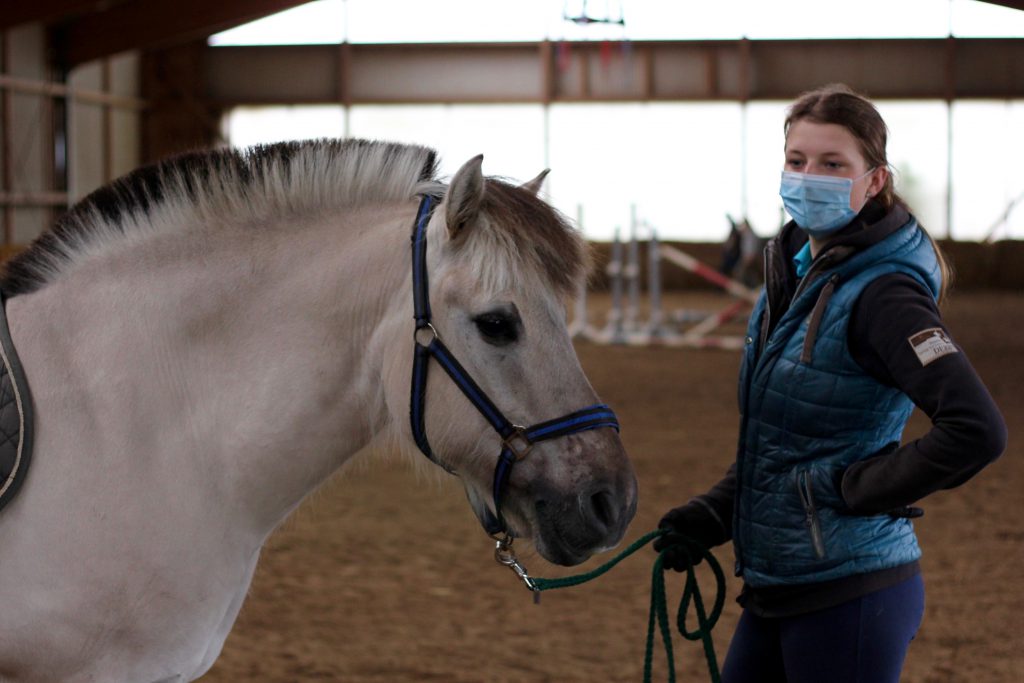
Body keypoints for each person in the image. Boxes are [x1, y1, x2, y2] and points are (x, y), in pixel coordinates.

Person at [655, 83, 1007, 683]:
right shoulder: (791, 275)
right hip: (778, 586)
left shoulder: (886, 295)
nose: (807, 176)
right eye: (797, 161)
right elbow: (787, 439)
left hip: (850, 592)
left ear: (874, 181)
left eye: (832, 164)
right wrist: (713, 515)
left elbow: (977, 429)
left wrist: (854, 488)